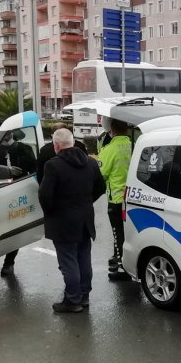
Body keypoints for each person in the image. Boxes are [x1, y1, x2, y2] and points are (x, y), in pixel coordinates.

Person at [38, 128, 106, 313]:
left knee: (68, 261)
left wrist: (53, 211)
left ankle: (72, 300)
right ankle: (84, 296)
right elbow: (101, 186)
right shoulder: (90, 162)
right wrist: (86, 202)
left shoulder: (53, 165)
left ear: (56, 146)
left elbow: (45, 195)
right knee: (84, 258)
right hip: (85, 219)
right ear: (73, 143)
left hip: (63, 221)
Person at [0, 129, 38, 277]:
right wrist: (6, 170)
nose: (6, 135)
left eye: (8, 132)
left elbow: (34, 170)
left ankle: (9, 262)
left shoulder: (24, 148)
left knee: (13, 229)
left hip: (18, 194)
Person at [98, 118, 132, 280]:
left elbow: (100, 174)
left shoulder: (110, 149)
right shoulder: (133, 145)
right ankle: (119, 257)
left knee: (117, 232)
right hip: (133, 198)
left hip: (117, 199)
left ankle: (121, 266)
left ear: (111, 128)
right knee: (126, 233)